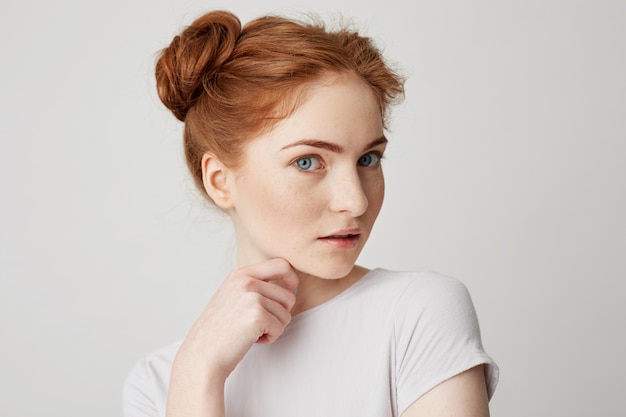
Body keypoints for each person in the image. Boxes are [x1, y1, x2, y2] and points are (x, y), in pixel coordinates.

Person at [123, 9, 498, 417]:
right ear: (219, 181)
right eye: (308, 162)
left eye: (369, 159)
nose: (356, 201)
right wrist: (198, 374)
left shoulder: (417, 313)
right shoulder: (160, 382)